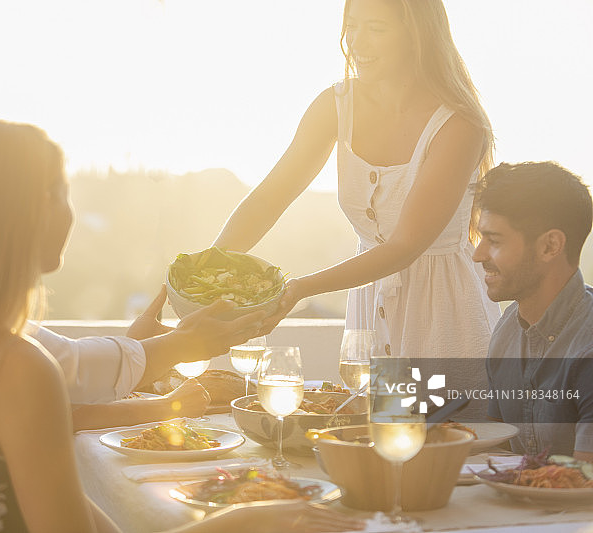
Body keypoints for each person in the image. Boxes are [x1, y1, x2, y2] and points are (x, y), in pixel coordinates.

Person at [0, 120, 363, 533]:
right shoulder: (16, 368)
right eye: (57, 192)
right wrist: (244, 522)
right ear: (27, 211)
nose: (69, 212)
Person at [213, 0, 500, 365]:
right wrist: (203, 268)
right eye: (352, 26)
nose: (357, 43)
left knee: (442, 422)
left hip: (442, 315)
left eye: (376, 29)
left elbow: (405, 246)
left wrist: (302, 288)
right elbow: (269, 199)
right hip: (369, 307)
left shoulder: (459, 126)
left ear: (417, 36)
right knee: (374, 420)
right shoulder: (335, 105)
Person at [473, 161, 593, 461]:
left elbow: (581, 488)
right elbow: (497, 454)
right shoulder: (507, 330)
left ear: (550, 246)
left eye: (495, 240)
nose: (478, 255)